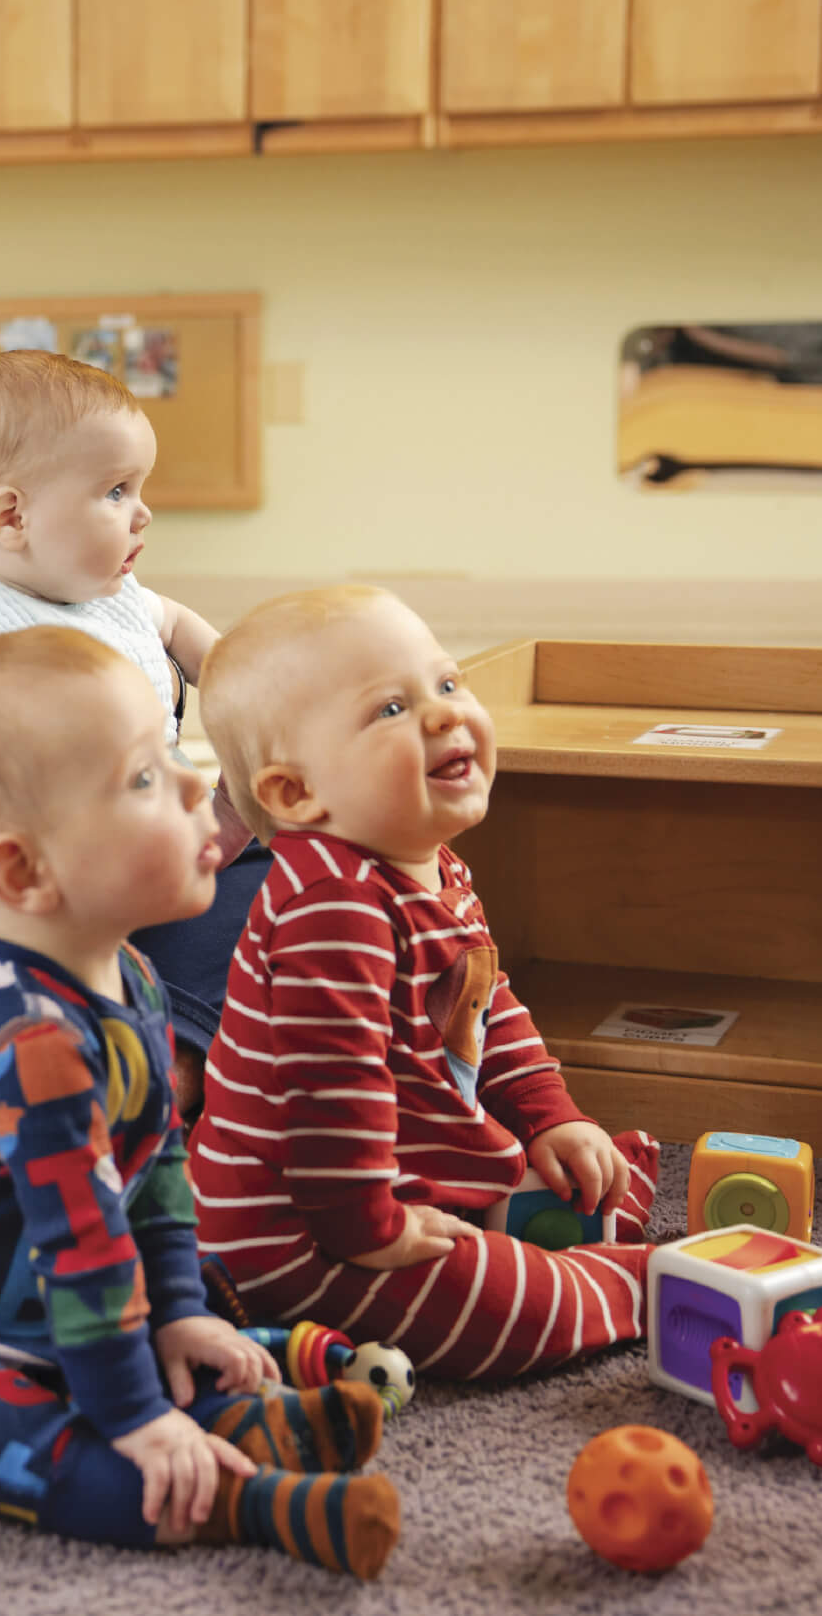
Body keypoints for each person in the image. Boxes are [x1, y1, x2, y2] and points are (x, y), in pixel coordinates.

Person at [0, 629, 400, 1581]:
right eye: (146, 778)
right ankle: (244, 1500)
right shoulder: (26, 1041)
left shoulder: (131, 978)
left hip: (33, 1309)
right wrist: (137, 1419)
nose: (199, 787)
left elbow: (151, 1172)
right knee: (7, 1439)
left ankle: (231, 1408)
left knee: (151, 1339)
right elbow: (83, 1247)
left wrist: (181, 1309)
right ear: (24, 874)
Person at [188, 586, 662, 1378]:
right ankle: (620, 1285)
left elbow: (482, 1005)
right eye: (388, 711)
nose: (443, 715)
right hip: (296, 1234)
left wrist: (549, 1118)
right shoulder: (329, 907)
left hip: (398, 1174)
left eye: (445, 685)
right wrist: (368, 1230)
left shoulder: (425, 861)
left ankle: (552, 1222)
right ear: (295, 794)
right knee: (514, 1309)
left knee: (572, 1169)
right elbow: (330, 1097)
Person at [0, 350, 263, 1111]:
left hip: (132, 827)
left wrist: (238, 677)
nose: (142, 513)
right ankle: (52, 1076)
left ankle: (173, 1041)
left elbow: (175, 626)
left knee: (269, 880)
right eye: (114, 491)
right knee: (7, 958)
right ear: (11, 517)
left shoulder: (113, 591)